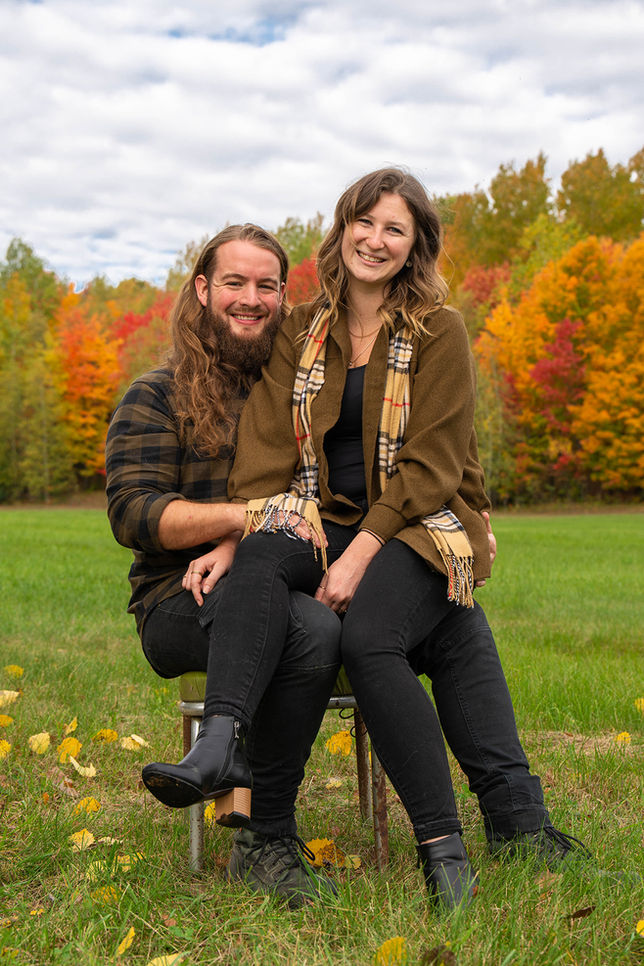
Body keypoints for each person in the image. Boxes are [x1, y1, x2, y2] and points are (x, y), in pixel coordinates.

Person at [158, 169, 588, 912]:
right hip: (321, 516)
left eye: (396, 228)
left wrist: (362, 552)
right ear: (342, 226)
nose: (376, 239)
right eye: (365, 221)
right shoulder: (300, 328)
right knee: (267, 552)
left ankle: (443, 854)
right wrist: (240, 529)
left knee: (371, 639)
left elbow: (433, 464)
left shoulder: (437, 329)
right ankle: (223, 745)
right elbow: (264, 447)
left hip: (423, 521)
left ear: (415, 244)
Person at [105, 224, 343, 908]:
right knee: (305, 631)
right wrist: (247, 518)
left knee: (312, 626)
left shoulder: (300, 398)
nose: (252, 298)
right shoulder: (156, 395)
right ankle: (265, 835)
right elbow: (135, 514)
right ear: (203, 290)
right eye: (234, 282)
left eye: (267, 285)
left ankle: (239, 787)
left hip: (287, 583)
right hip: (180, 597)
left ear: (281, 297)